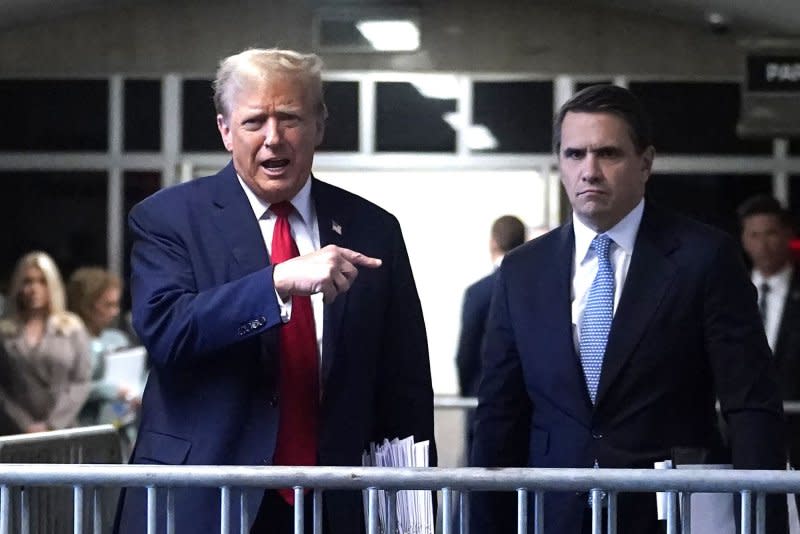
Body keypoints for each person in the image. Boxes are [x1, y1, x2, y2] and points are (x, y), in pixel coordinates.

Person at [114, 48, 436, 534]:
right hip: (204, 498)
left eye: (289, 118)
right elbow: (167, 331)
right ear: (225, 130)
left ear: (319, 126)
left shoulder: (373, 229)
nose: (272, 138)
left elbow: (404, 382)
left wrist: (412, 513)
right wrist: (277, 283)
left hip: (338, 501)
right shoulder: (169, 219)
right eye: (253, 122)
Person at [470, 85, 787, 534]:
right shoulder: (523, 269)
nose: (590, 171)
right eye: (574, 154)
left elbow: (751, 405)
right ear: (559, 163)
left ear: (646, 162)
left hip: (670, 513)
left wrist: (764, 523)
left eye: (608, 154)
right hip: (554, 512)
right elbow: (499, 414)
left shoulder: (704, 257)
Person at [738, 195, 800, 496]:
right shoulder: (730, 290)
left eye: (771, 233)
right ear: (744, 239)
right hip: (744, 434)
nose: (763, 244)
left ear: (788, 235)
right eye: (754, 235)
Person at [456, 215, 526, 455]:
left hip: (482, 400)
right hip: (527, 405)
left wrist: (470, 392)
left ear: (493, 243)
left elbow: (465, 354)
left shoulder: (477, 292)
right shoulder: (534, 289)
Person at [0, 251, 91, 435]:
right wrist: (24, 424)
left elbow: (81, 381)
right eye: (27, 282)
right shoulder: (5, 332)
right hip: (17, 432)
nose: (34, 289)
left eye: (42, 281)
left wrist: (53, 424)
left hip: (63, 430)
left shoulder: (71, 327)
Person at [66, 267, 137, 426]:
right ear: (86, 305)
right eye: (108, 305)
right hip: (84, 426)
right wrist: (112, 390)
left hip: (122, 423)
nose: (115, 312)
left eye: (116, 305)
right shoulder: (69, 342)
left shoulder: (118, 339)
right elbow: (70, 388)